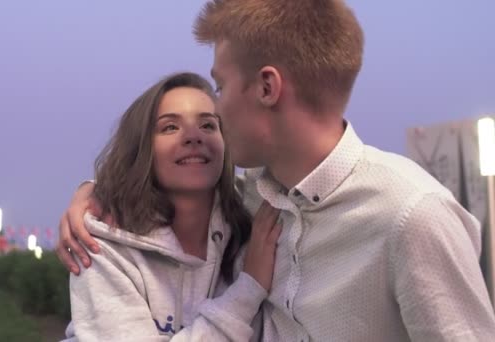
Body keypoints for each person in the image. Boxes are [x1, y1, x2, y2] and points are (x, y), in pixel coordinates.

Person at [58, 0, 495, 340]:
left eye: (221, 87)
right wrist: (94, 194)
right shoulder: (256, 200)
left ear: (267, 88)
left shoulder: (413, 216)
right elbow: (162, 188)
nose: (214, 112)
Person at [62, 72, 282, 341]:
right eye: (170, 127)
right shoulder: (102, 242)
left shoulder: (254, 215)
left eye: (208, 125)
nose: (193, 136)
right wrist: (248, 289)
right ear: (142, 149)